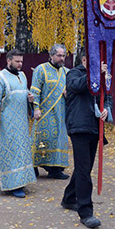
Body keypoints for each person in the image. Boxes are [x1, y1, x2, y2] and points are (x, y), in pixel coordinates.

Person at [60, 53, 112, 228]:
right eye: (94, 61)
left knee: (85, 167)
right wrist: (96, 73)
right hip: (79, 126)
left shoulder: (100, 75)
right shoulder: (73, 74)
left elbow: (108, 94)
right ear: (84, 60)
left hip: (94, 126)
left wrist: (107, 108)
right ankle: (86, 212)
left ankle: (69, 198)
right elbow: (78, 86)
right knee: (84, 170)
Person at [0, 49, 36, 198]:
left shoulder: (22, 75)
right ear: (8, 61)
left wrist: (30, 99)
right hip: (6, 123)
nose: (20, 64)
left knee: (20, 151)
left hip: (21, 121)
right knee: (10, 152)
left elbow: (24, 92)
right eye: (17, 61)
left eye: (21, 61)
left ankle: (8, 178)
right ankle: (13, 184)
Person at [30, 43, 70, 179]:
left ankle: (55, 170)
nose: (62, 58)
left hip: (61, 113)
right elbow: (35, 90)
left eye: (63, 56)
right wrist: (35, 108)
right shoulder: (41, 69)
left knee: (58, 140)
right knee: (41, 139)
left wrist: (68, 93)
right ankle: (33, 168)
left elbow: (73, 92)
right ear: (51, 55)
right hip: (44, 113)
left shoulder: (67, 72)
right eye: (59, 55)